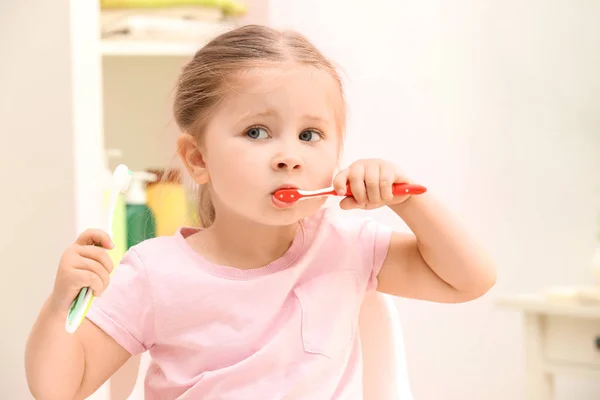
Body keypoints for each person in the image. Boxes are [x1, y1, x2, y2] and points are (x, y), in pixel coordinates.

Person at [25, 24, 496, 399]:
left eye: (309, 135)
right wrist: (60, 303)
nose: (289, 155)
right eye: (256, 132)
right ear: (198, 159)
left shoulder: (346, 246)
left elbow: (469, 280)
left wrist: (410, 200)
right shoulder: (153, 275)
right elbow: (60, 388)